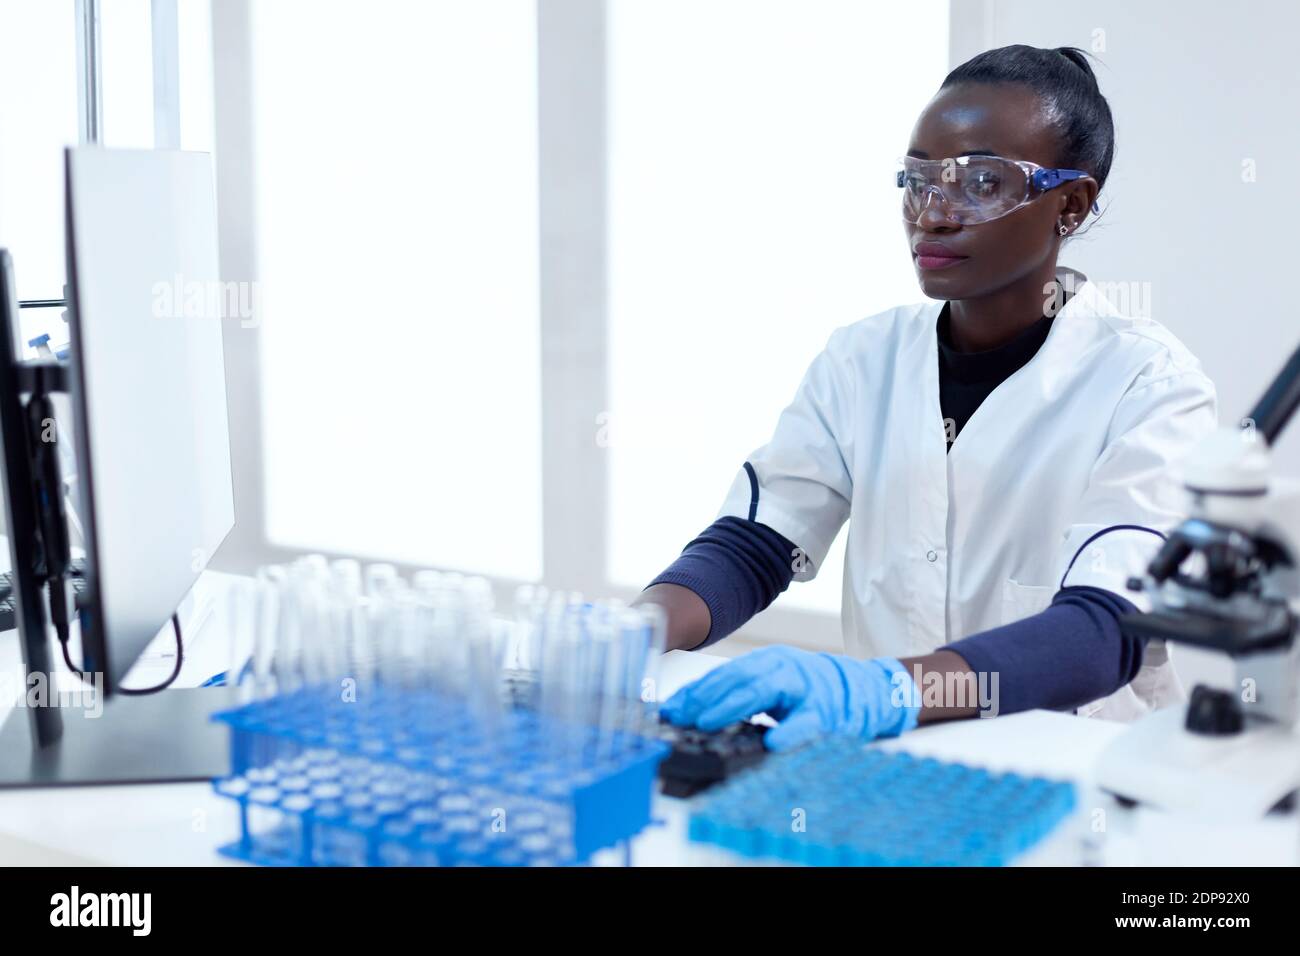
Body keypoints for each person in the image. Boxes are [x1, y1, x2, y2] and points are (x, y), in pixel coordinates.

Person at [635, 45, 1218, 752]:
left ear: (1070, 203)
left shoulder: (1149, 385)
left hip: (1071, 778)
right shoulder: (863, 360)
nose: (933, 213)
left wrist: (887, 690)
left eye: (981, 182)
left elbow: (1105, 632)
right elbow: (758, 545)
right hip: (891, 765)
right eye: (918, 180)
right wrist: (633, 633)